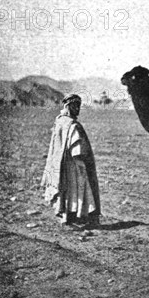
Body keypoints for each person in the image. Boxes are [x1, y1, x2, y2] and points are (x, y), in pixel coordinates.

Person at [42, 94, 101, 227]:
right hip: (74, 164)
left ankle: (66, 216)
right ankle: (82, 217)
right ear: (68, 106)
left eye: (79, 106)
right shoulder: (73, 125)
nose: (77, 109)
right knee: (78, 191)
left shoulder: (60, 121)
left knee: (67, 191)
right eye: (75, 106)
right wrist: (84, 162)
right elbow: (77, 150)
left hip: (60, 165)